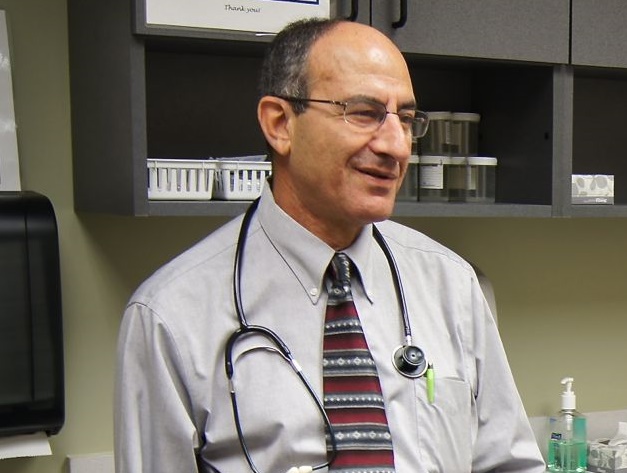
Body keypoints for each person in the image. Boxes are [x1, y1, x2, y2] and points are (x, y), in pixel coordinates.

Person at [115, 18, 545, 472]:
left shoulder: (452, 286)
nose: (396, 146)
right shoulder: (170, 317)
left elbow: (509, 464)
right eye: (364, 113)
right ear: (280, 124)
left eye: (404, 119)